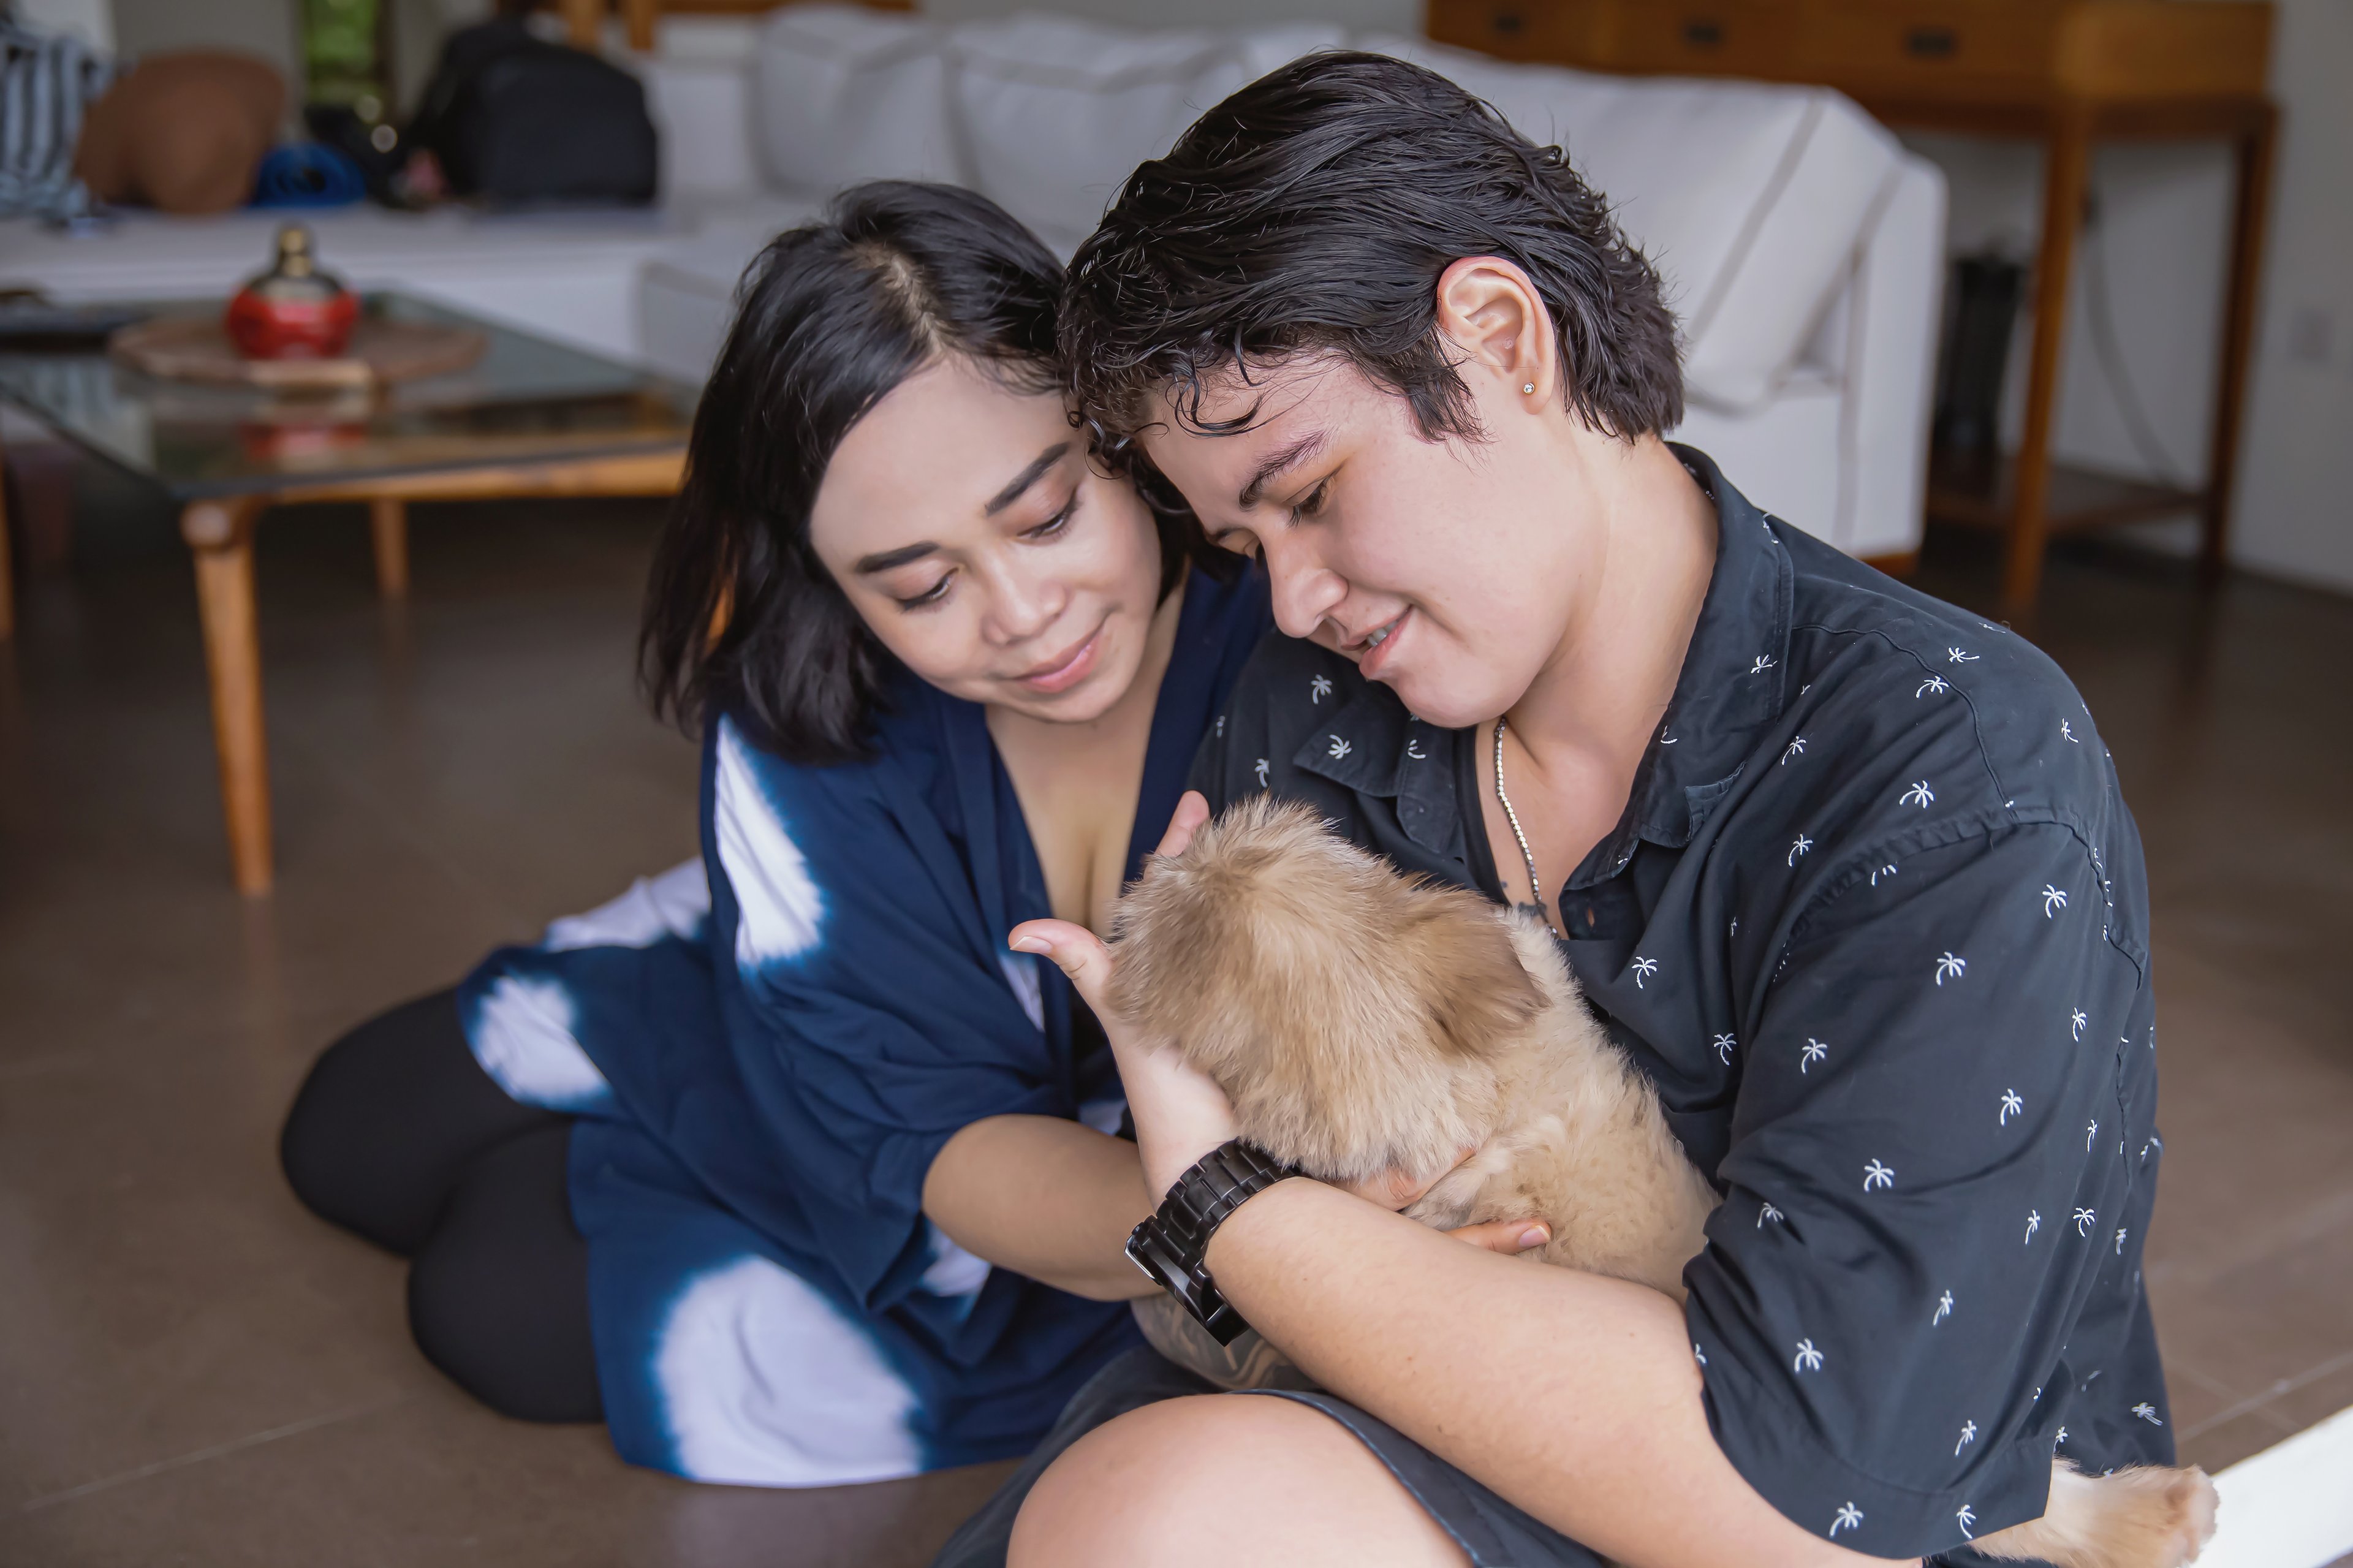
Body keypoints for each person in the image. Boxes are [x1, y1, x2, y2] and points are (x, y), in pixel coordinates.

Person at [945, 53, 2172, 1568]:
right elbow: (1311, 1273)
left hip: (1863, 1520)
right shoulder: (1314, 703)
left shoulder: (1949, 766)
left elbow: (1819, 1505)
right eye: (1242, 540)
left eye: (1312, 490)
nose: (1294, 596)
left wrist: (1220, 1206)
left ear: (1500, 335)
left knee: (1173, 1525)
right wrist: (1306, 1244)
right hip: (1364, 1400)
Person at [277, 181, 1279, 1486]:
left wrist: (1229, 1223)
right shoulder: (816, 704)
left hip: (1131, 1215)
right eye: (920, 584)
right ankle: (743, 943)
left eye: (1045, 516)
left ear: (1117, 432)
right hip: (886, 1052)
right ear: (832, 582)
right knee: (348, 1128)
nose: (1026, 612)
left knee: (490, 1297)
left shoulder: (1287, 628)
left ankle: (742, 988)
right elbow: (932, 1134)